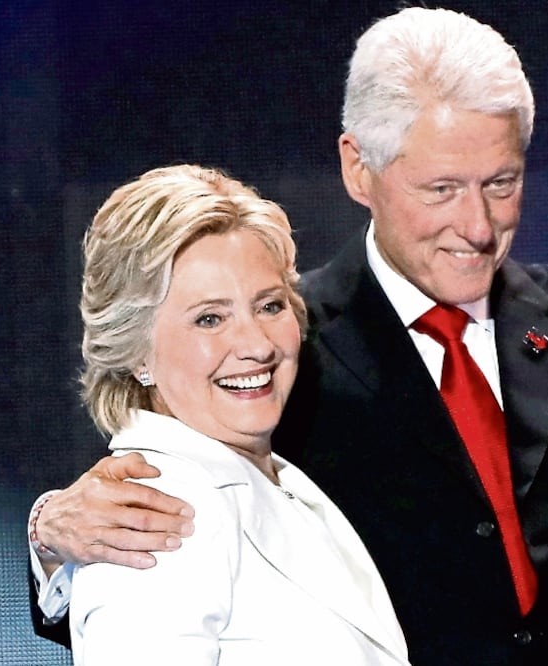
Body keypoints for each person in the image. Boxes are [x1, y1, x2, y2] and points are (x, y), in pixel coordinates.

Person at [27, 8, 548, 664]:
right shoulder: (284, 344)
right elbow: (152, 542)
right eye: (441, 188)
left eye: (501, 183)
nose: (478, 226)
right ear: (359, 168)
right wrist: (51, 537)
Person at [55, 164, 410, 665]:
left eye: (269, 306)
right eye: (210, 319)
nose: (256, 345)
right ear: (135, 350)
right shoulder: (158, 514)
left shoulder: (280, 482)